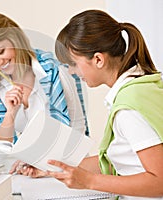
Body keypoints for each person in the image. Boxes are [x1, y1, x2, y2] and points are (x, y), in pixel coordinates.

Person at [46, 9, 163, 199]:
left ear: (98, 59)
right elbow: (119, 161)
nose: (71, 71)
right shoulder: (144, 85)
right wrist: (52, 168)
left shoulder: (128, 107)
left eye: (73, 63)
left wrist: (89, 181)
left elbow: (160, 181)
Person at [0, 13, 88, 175]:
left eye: (1, 51)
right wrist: (10, 115)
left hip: (67, 170)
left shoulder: (54, 70)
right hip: (27, 175)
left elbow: (77, 127)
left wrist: (46, 164)